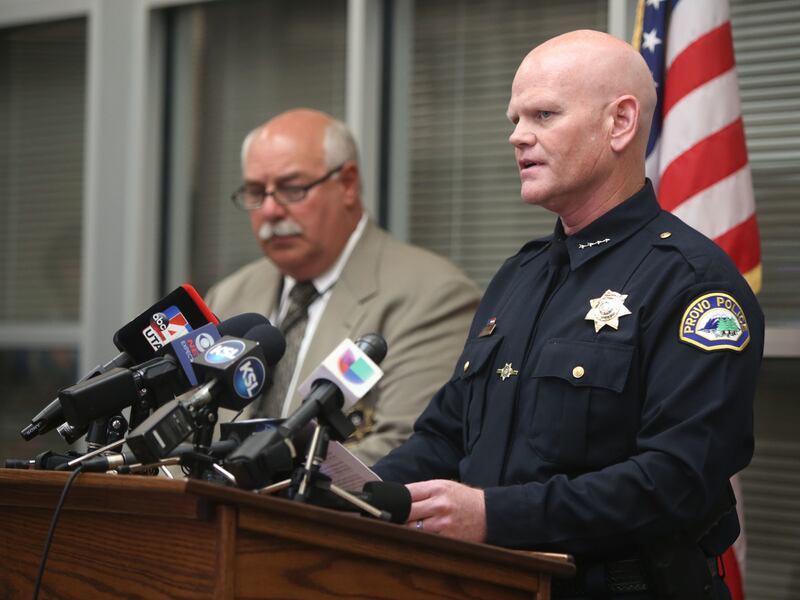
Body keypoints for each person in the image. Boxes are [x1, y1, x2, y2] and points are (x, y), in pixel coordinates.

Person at [372, 30, 764, 599]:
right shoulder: (521, 274)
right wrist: (355, 491)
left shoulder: (692, 282)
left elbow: (676, 480)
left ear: (619, 124)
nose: (517, 136)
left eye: (543, 115)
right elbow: (445, 435)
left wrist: (495, 516)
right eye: (515, 118)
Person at [205, 108, 481, 465]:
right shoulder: (229, 296)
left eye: (292, 189)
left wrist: (257, 484)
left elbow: (408, 446)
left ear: (348, 184)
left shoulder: (432, 297)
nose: (270, 210)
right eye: (257, 192)